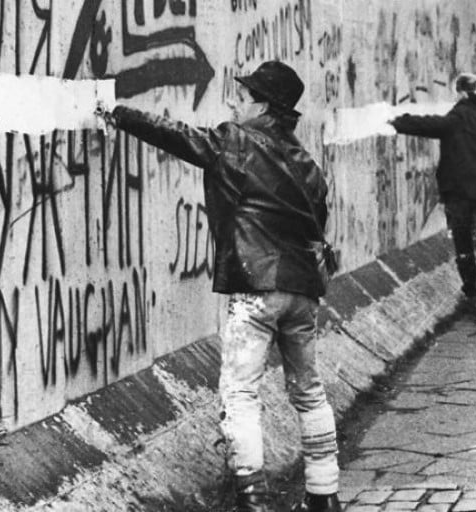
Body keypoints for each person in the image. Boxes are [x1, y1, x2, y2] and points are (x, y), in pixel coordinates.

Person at [97, 61, 341, 512]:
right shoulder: (307, 163)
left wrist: (119, 113)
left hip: (256, 288)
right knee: (309, 390)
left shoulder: (237, 142)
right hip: (304, 291)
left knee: (240, 393)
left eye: (242, 96)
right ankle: (324, 496)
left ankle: (254, 501)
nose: (233, 101)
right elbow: (317, 226)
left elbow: (178, 135)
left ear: (262, 106)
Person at [389, 72, 476, 326]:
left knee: (464, 249)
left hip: (458, 197)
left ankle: (470, 291)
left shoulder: (457, 119)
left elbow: (427, 125)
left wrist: (395, 121)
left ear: (462, 93)